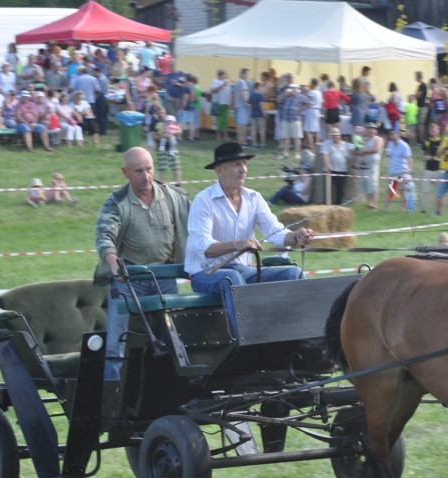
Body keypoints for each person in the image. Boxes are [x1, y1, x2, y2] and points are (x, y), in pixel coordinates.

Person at [95, 147, 190, 381]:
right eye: (138, 171)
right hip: (129, 279)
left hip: (164, 277)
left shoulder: (173, 197)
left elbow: (203, 223)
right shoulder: (116, 202)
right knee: (117, 343)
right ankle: (112, 396)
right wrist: (113, 263)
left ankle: (183, 391)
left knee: (178, 338)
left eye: (149, 169)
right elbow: (104, 236)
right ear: (125, 172)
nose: (145, 176)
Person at [185, 142, 314, 295]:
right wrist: (238, 244)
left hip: (242, 271)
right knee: (232, 277)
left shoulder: (254, 198)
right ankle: (250, 320)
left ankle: (300, 320)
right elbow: (205, 249)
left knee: (294, 274)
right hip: (205, 274)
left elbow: (275, 231)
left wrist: (296, 236)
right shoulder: (203, 200)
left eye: (244, 164)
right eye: (236, 165)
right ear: (219, 170)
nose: (243, 170)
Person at [354, 122, 385, 210]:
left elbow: (376, 149)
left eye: (372, 129)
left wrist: (365, 150)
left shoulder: (378, 139)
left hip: (372, 166)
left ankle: (374, 205)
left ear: (375, 131)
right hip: (362, 166)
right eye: (368, 129)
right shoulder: (363, 139)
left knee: (372, 185)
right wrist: (358, 151)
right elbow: (356, 151)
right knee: (365, 185)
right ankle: (369, 204)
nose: (370, 130)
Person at [319, 126, 350, 205]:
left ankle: (338, 204)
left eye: (337, 135)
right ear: (331, 136)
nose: (336, 137)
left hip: (342, 170)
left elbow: (349, 157)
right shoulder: (326, 143)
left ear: (340, 136)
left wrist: (347, 168)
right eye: (334, 135)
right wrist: (329, 166)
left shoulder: (345, 145)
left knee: (340, 188)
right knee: (328, 188)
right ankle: (327, 203)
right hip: (330, 170)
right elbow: (324, 155)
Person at [382, 126, 411, 210]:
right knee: (390, 191)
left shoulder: (404, 145)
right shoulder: (390, 144)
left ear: (398, 135)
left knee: (402, 191)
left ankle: (402, 209)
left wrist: (408, 169)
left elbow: (409, 159)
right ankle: (385, 209)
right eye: (391, 134)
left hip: (401, 170)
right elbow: (388, 154)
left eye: (394, 134)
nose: (392, 135)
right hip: (392, 171)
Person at [419, 121, 443, 212]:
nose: (433, 132)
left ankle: (438, 210)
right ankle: (423, 210)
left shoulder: (442, 141)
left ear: (438, 131)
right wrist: (426, 157)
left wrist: (439, 159)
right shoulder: (426, 142)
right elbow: (423, 154)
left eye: (435, 130)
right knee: (425, 191)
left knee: (439, 192)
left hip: (439, 170)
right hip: (428, 170)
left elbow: (444, 155)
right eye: (432, 131)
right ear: (429, 132)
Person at [211, 69, 232, 141]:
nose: (225, 76)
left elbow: (229, 93)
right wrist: (222, 85)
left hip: (226, 103)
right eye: (224, 75)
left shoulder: (227, 83)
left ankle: (225, 136)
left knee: (224, 120)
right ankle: (218, 135)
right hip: (219, 102)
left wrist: (230, 103)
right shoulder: (215, 81)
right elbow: (213, 90)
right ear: (220, 75)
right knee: (219, 120)